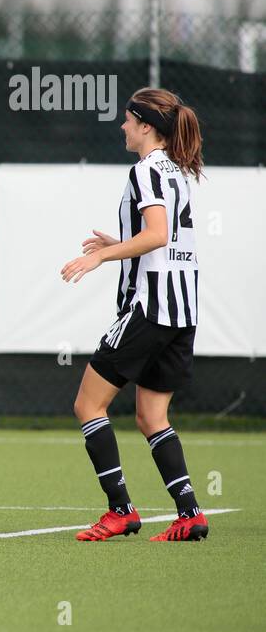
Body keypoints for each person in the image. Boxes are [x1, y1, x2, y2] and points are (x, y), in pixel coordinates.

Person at [60, 88, 209, 542]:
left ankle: (120, 510)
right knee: (151, 416)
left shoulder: (146, 169)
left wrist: (100, 259)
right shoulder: (178, 170)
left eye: (127, 120)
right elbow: (159, 238)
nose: (122, 127)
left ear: (146, 125)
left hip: (149, 308)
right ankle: (189, 514)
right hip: (182, 311)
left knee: (88, 404)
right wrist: (117, 246)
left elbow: (158, 235)